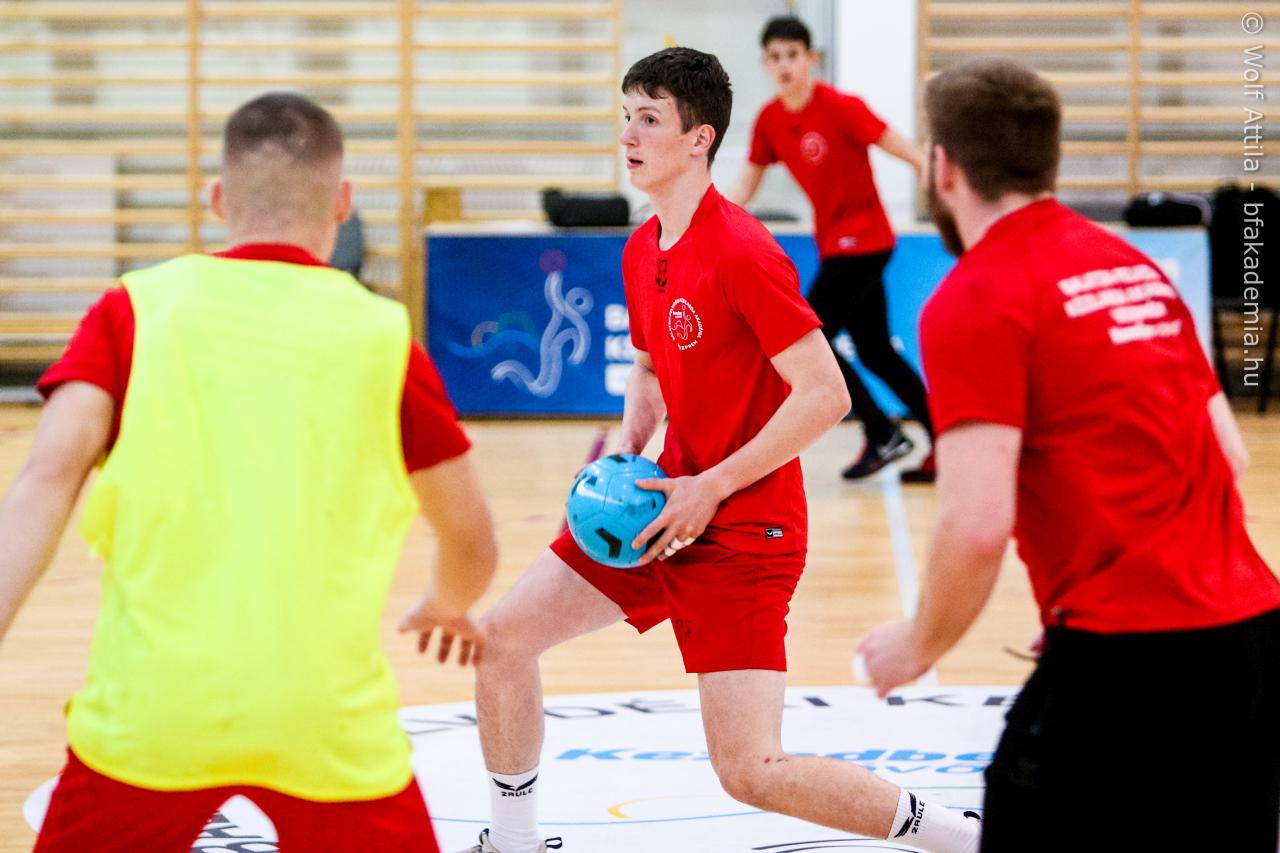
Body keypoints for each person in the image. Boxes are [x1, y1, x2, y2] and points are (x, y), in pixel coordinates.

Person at [458, 47, 980, 853]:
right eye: (625, 116)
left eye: (649, 119)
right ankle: (514, 839)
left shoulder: (743, 250)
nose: (629, 135)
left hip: (743, 533)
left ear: (699, 138)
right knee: (500, 640)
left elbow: (827, 395)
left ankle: (960, 835)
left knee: (750, 770)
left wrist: (714, 484)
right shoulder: (642, 247)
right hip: (656, 509)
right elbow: (647, 367)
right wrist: (626, 452)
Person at [0, 92, 498, 853]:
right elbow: (472, 539)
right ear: (343, 204)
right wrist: (445, 603)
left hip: (154, 711)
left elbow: (45, 478)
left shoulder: (134, 310)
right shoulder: (381, 335)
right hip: (323, 719)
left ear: (217, 199)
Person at [858, 59, 1280, 851]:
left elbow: (976, 524)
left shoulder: (975, 297)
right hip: (1252, 643)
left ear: (942, 167)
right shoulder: (1132, 267)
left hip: (1127, 656)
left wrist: (920, 642)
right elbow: (1229, 452)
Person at [727, 16, 935, 482]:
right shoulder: (770, 120)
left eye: (792, 55)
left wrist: (930, 170)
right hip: (836, 247)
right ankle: (941, 440)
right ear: (765, 63)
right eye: (775, 57)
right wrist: (704, 216)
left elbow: (893, 142)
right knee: (875, 351)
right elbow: (746, 185)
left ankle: (881, 431)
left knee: (808, 341)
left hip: (865, 241)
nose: (784, 65)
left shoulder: (839, 106)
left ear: (810, 59)